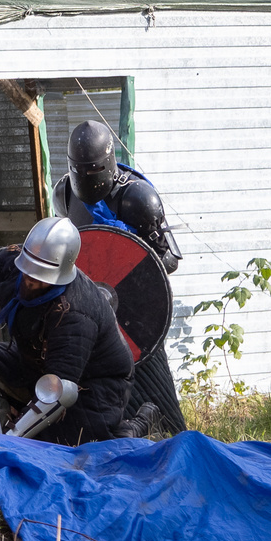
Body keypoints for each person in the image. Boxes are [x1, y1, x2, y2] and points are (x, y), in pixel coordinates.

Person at [50, 118, 185, 434]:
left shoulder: (138, 198)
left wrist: (127, 254)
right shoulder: (64, 193)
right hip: (88, 303)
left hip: (133, 310)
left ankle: (160, 427)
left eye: (94, 169)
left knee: (149, 380)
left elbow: (168, 261)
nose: (86, 176)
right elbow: (70, 249)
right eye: (80, 169)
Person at [0, 216, 136, 442]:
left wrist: (19, 431)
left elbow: (59, 390)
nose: (29, 280)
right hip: (34, 363)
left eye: (39, 276)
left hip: (94, 385)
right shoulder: (18, 261)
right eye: (27, 270)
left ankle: (132, 427)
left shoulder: (75, 314)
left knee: (64, 446)